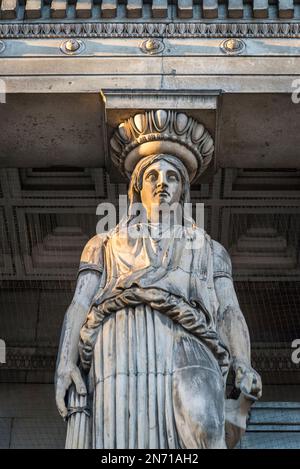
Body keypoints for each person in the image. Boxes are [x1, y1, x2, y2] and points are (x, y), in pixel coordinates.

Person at [55, 152, 261, 449]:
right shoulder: (103, 244)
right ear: (137, 188)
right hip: (120, 345)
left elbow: (229, 309)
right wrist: (64, 363)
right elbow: (79, 303)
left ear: (182, 190)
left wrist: (243, 361)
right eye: (152, 176)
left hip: (190, 341)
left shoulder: (209, 249)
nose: (162, 184)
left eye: (172, 177)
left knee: (203, 424)